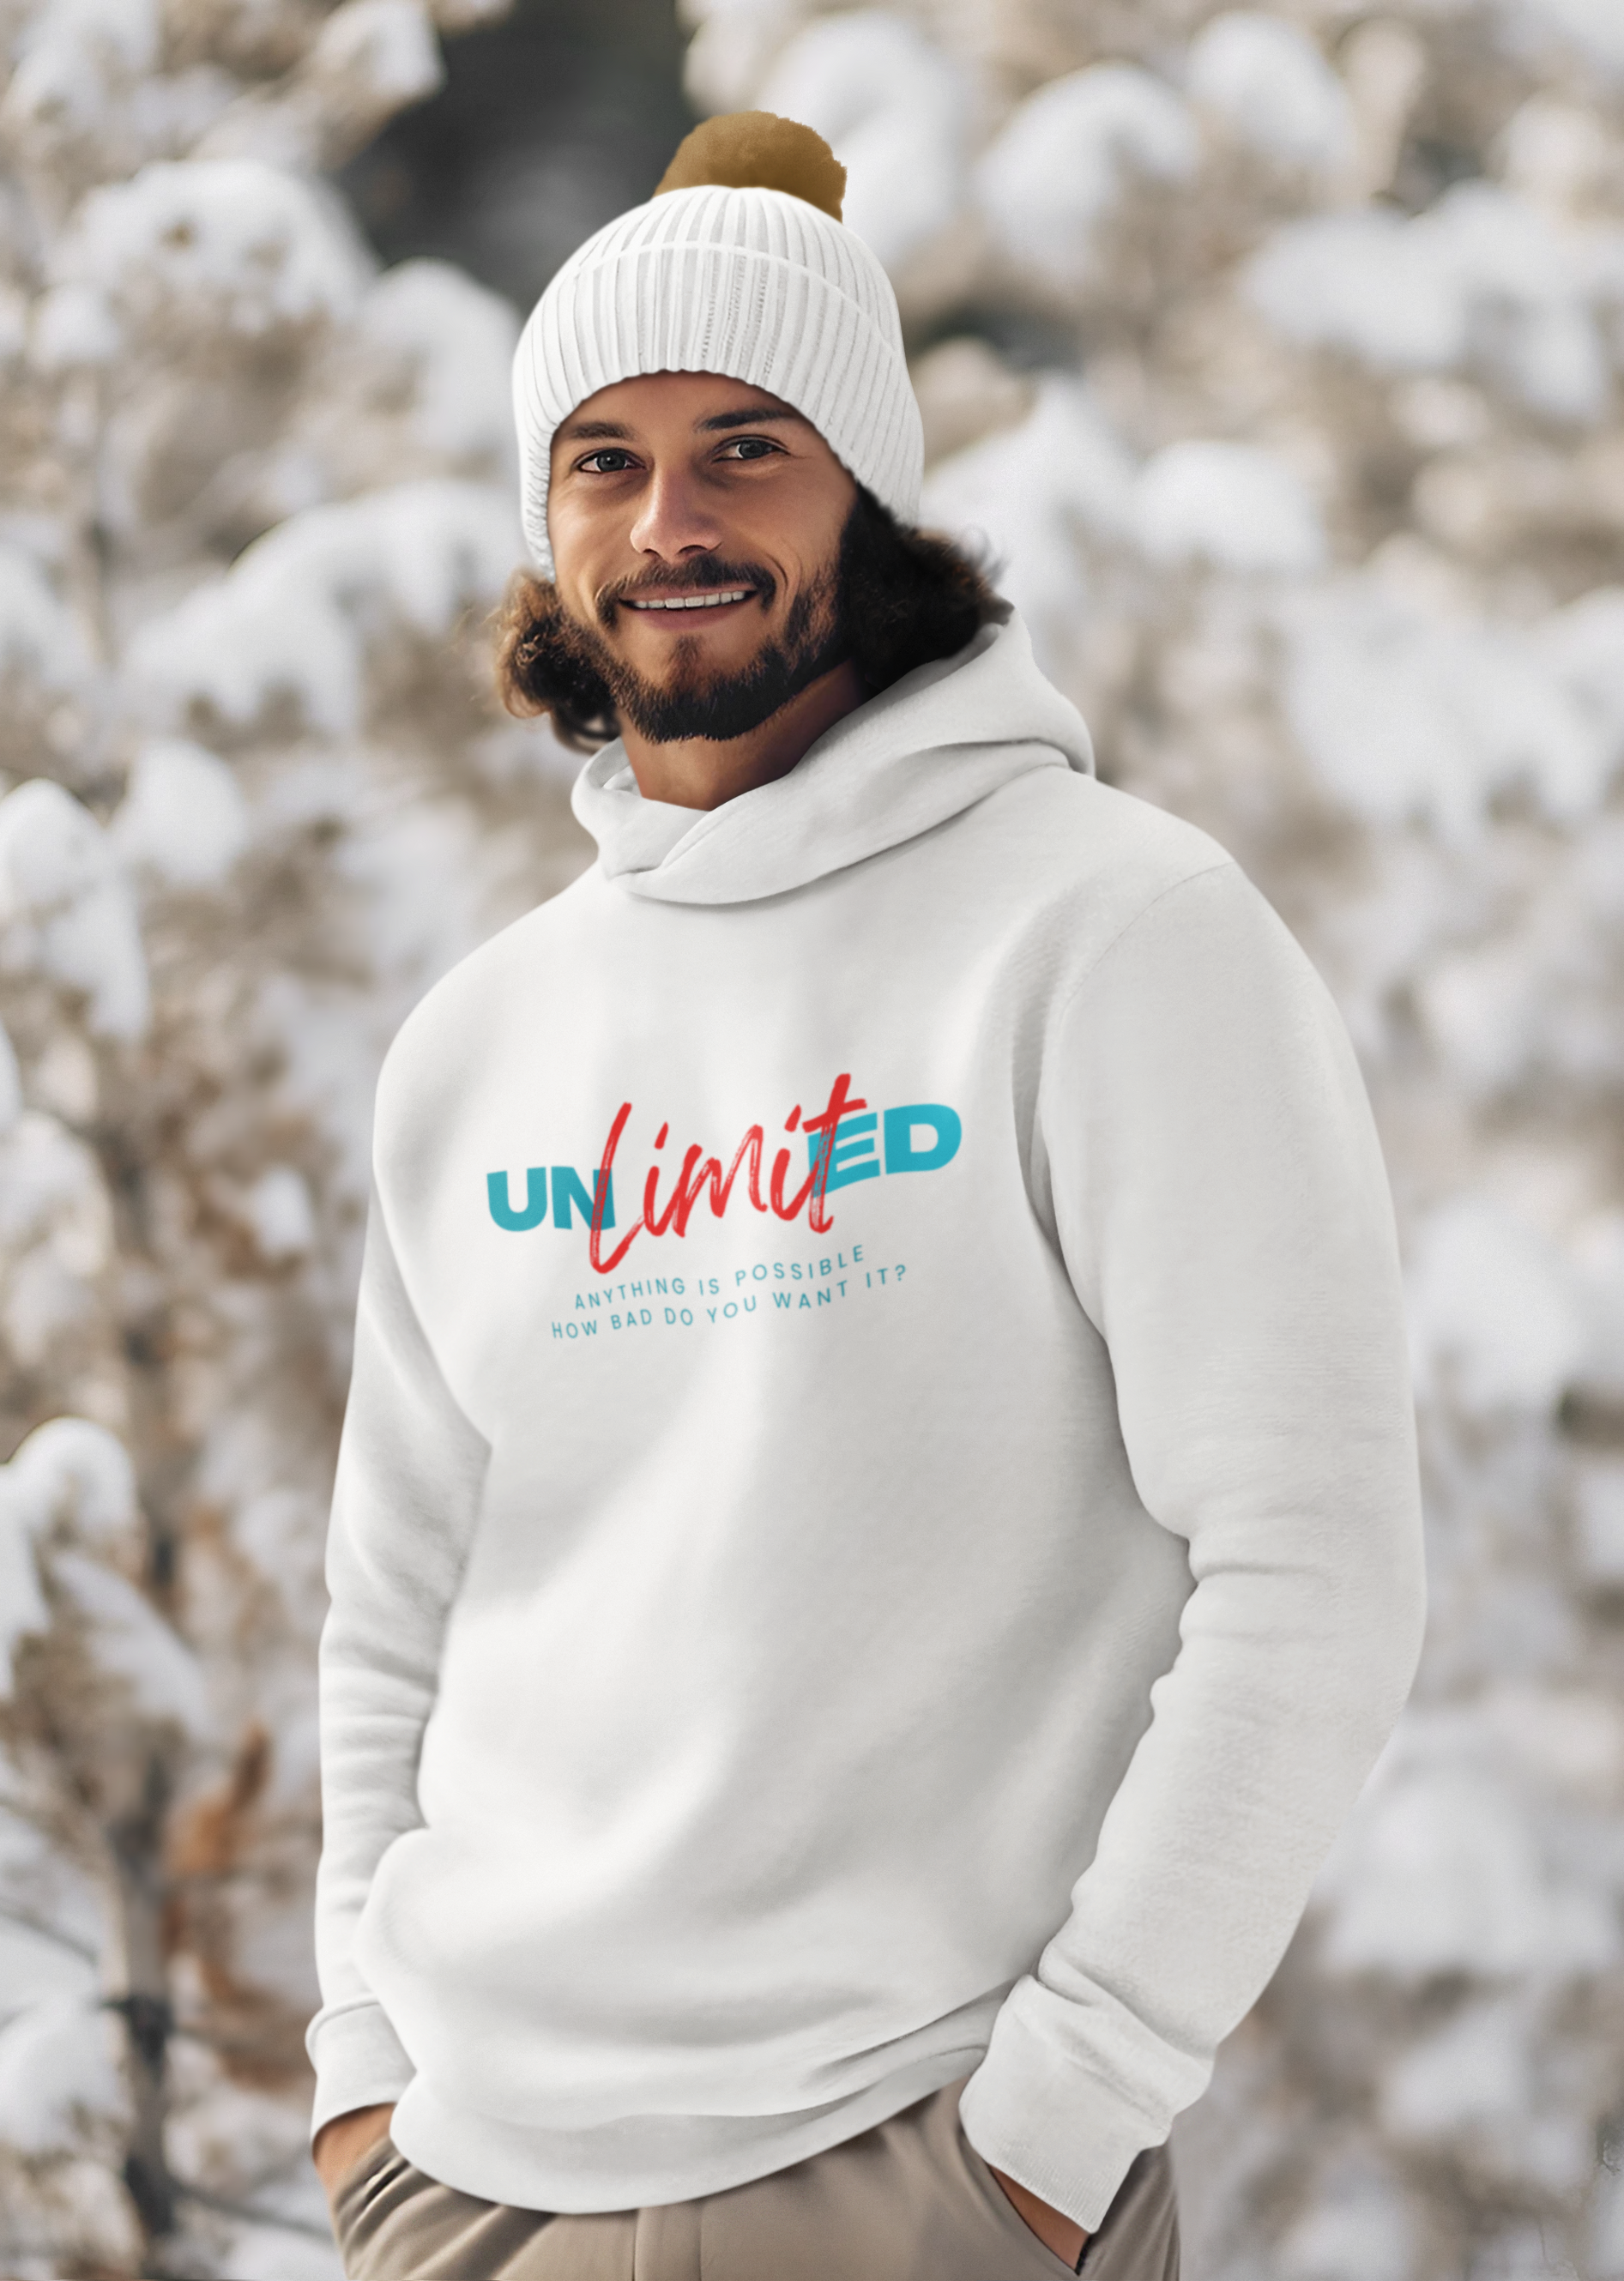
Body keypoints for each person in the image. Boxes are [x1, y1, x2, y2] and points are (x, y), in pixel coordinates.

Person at [307, 112, 1426, 2281]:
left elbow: (1316, 1560)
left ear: (870, 496)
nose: (672, 520)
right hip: (469, 2185)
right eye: (606, 462)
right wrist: (366, 2075)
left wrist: (1058, 2122)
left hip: (904, 2173)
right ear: (547, 526)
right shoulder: (485, 1040)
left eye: (747, 447)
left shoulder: (1111, 936)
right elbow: (395, 1615)